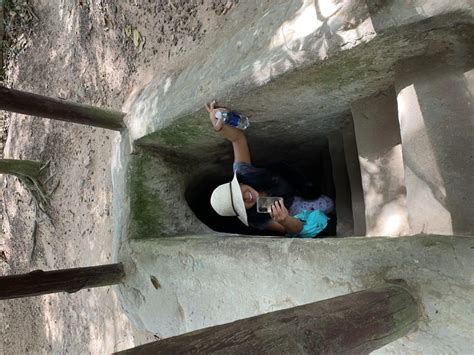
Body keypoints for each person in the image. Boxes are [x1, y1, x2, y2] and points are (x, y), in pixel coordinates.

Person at [206, 101, 334, 238]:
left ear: (240, 183)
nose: (246, 197)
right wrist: (285, 220)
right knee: (328, 204)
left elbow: (238, 139)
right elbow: (294, 230)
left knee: (310, 188)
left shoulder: (244, 173)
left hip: (289, 180)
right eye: (241, 203)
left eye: (239, 192)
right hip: (290, 207)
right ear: (242, 210)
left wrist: (220, 128)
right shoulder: (254, 217)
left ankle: (308, 188)